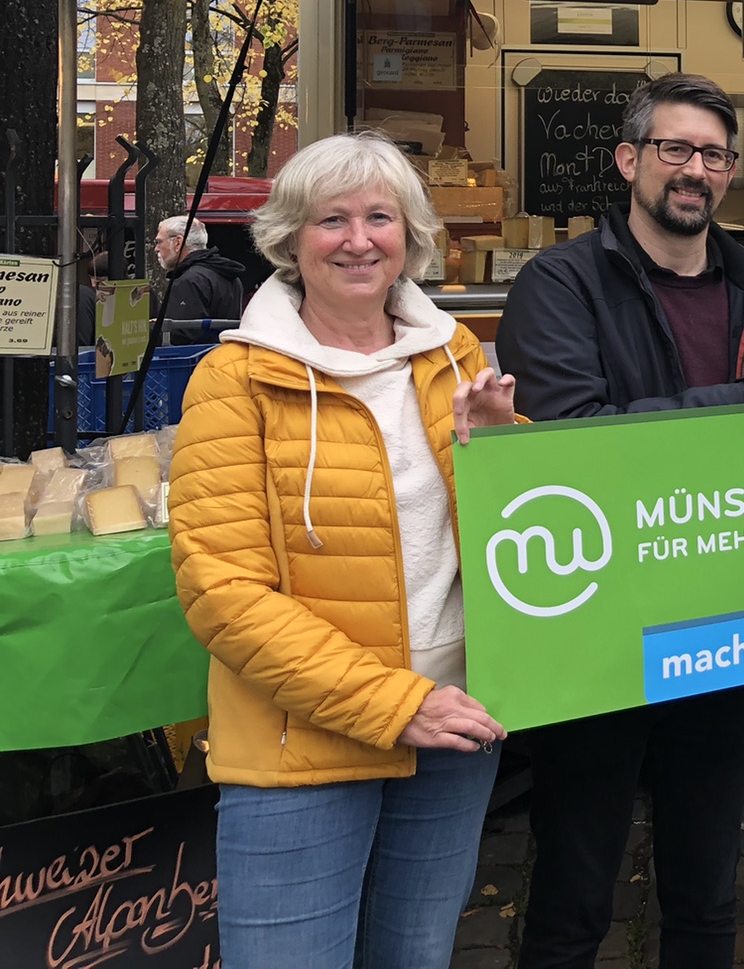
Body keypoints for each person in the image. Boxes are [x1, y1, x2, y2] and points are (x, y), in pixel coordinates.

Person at [498, 71, 744, 969]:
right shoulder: (559, 285)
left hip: (720, 633)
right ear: (629, 160)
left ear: (730, 172)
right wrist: (742, 396)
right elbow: (569, 441)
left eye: (712, 154)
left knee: (706, 891)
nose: (693, 169)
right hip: (598, 635)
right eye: (674, 149)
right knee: (573, 894)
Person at [169, 132, 517, 968]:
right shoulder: (236, 380)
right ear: (291, 238)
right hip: (302, 740)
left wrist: (509, 454)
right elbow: (225, 594)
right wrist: (395, 704)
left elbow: (517, 537)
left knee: (415, 956)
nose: (358, 240)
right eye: (332, 219)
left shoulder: (453, 353)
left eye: (379, 218)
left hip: (454, 721)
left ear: (410, 235)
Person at [157, 215, 246, 343]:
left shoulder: (190, 280)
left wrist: (156, 330)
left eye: (159, 242)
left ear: (178, 243)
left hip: (194, 360)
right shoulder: (228, 275)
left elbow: (180, 336)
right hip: (223, 354)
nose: (156, 249)